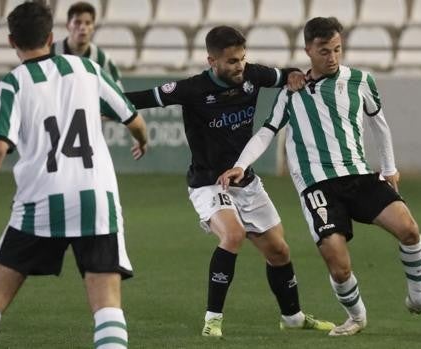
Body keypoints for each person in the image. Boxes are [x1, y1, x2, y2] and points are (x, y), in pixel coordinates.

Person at [218, 17, 421, 337]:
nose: (333, 57)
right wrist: (241, 164)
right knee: (337, 260)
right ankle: (357, 316)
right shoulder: (291, 92)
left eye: (338, 49)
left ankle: (419, 297)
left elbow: (379, 125)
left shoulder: (361, 80)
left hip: (360, 175)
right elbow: (267, 133)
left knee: (408, 228)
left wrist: (389, 168)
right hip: (318, 185)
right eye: (324, 50)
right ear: (308, 49)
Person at [0, 2, 148, 348]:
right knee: (107, 307)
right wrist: (142, 140)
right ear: (52, 37)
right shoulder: (87, 68)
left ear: (11, 41)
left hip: (39, 203)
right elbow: (133, 119)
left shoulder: (11, 86)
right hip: (95, 200)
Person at [124, 25, 334, 337]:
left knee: (279, 251)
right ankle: (212, 321)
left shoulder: (253, 75)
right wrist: (106, 107)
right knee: (233, 235)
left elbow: (286, 75)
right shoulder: (192, 89)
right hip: (208, 183)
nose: (240, 67)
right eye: (232, 61)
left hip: (245, 181)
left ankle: (293, 317)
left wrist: (292, 75)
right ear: (212, 61)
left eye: (242, 59)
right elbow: (141, 98)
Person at [51, 1, 123, 89]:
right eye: (77, 22)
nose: (82, 27)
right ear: (68, 26)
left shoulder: (102, 59)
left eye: (88, 23)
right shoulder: (51, 52)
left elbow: (118, 92)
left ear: (93, 28)